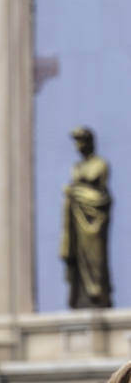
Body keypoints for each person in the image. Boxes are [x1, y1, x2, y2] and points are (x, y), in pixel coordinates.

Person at [60, 126, 112, 309]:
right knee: (79, 259)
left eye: (81, 140)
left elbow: (102, 196)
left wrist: (77, 193)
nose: (78, 145)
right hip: (77, 220)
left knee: (95, 257)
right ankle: (82, 296)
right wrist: (72, 193)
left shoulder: (100, 164)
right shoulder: (77, 167)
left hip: (94, 222)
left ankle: (97, 292)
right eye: (76, 141)